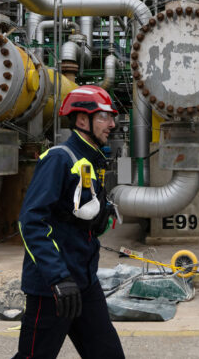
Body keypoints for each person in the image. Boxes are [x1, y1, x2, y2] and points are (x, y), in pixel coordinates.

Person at [15, 85, 124, 359]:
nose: (112, 124)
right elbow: (31, 222)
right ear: (81, 120)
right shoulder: (59, 159)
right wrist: (58, 277)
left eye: (112, 118)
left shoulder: (92, 161)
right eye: (104, 117)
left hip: (84, 284)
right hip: (53, 289)